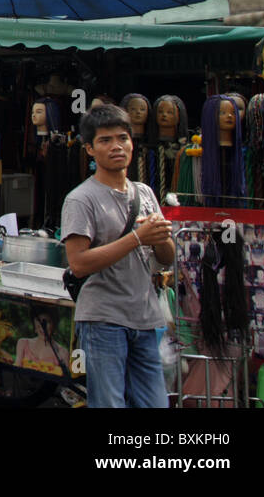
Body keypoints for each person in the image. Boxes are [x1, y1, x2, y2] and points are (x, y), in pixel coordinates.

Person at [61, 104, 174, 409]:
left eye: (122, 138)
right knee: (109, 404)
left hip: (146, 317)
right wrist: (137, 237)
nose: (116, 147)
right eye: (105, 140)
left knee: (155, 404)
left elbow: (167, 259)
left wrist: (159, 235)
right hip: (103, 319)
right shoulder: (80, 199)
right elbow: (79, 263)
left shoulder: (145, 193)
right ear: (89, 149)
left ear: (132, 143)